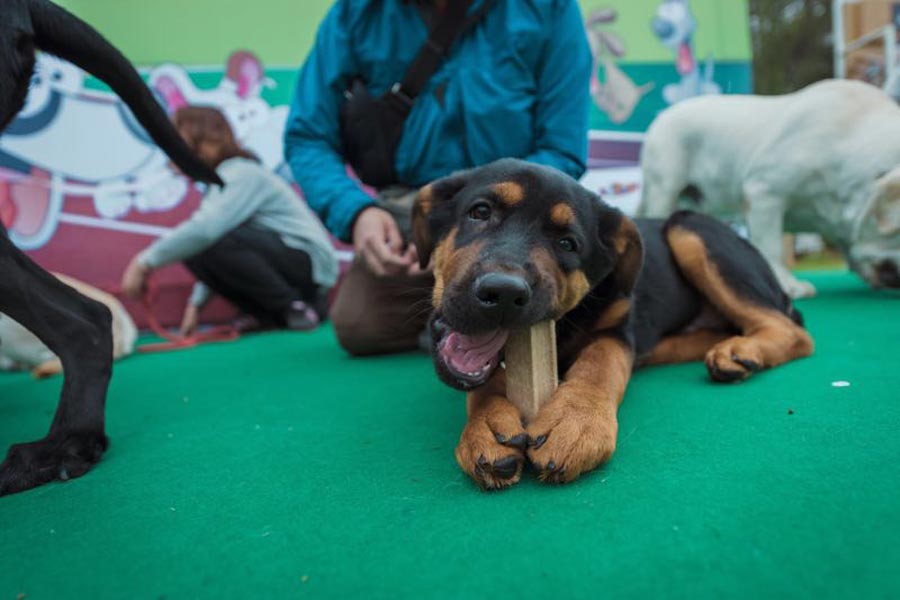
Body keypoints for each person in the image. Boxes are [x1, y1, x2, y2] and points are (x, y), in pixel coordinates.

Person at [284, 0, 591, 355]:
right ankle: (451, 314)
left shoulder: (550, 8)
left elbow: (562, 148)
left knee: (563, 316)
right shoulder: (355, 12)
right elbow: (307, 137)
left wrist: (481, 216)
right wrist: (356, 213)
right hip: (407, 212)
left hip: (514, 216)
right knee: (361, 326)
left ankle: (461, 313)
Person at [122, 106, 338, 334]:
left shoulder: (240, 173)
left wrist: (143, 262)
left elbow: (206, 232)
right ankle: (269, 313)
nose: (170, 155)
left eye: (175, 145)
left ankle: (293, 307)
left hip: (309, 267)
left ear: (199, 142)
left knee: (201, 240)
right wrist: (195, 306)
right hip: (291, 265)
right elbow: (207, 242)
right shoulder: (222, 181)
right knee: (193, 246)